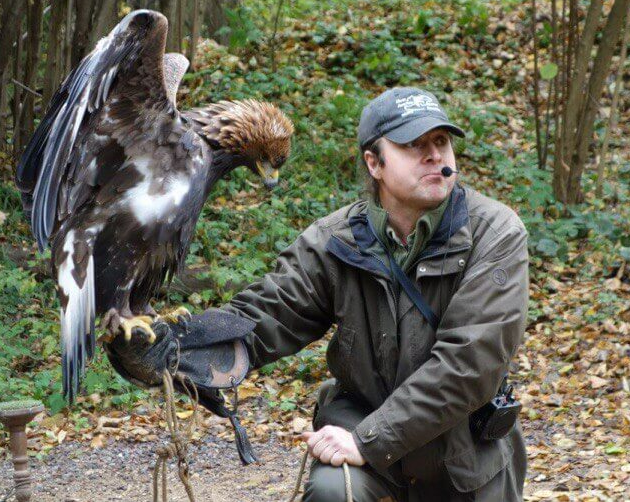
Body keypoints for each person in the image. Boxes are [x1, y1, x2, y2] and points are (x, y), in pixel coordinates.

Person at [223, 87, 529, 501]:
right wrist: (180, 347)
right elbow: (269, 315)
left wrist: (367, 441)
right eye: (413, 145)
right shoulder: (335, 240)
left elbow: (468, 367)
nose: (435, 155)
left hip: (465, 456)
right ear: (374, 162)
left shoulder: (494, 234)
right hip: (367, 436)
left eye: (441, 142)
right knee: (334, 491)